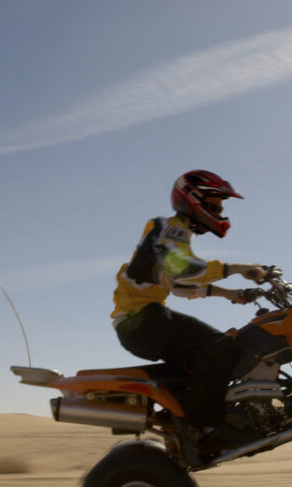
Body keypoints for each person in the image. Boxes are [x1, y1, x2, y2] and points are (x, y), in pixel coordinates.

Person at [111, 170, 267, 456]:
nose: (220, 213)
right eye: (216, 206)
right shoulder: (167, 227)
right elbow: (183, 267)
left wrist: (229, 294)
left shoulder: (175, 235)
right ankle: (208, 427)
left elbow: (182, 285)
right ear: (194, 201)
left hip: (140, 321)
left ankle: (183, 421)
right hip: (142, 320)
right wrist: (238, 269)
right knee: (221, 348)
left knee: (201, 357)